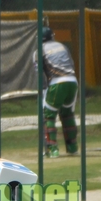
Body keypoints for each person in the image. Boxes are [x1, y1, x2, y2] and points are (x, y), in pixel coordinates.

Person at [32, 26, 78, 158]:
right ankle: (73, 147)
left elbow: (39, 72)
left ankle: (53, 150)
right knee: (67, 114)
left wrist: (43, 89)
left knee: (49, 116)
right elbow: (71, 64)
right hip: (73, 81)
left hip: (57, 82)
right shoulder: (62, 46)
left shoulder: (38, 51)